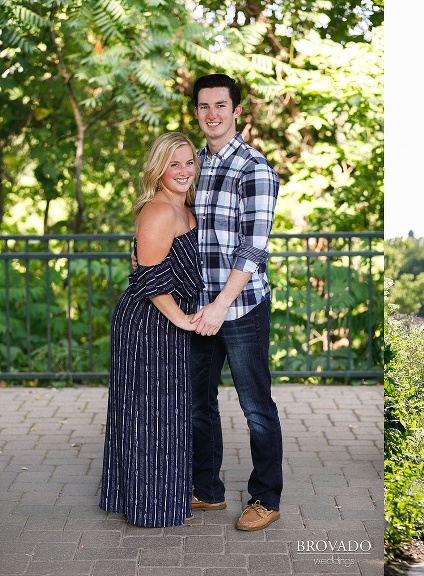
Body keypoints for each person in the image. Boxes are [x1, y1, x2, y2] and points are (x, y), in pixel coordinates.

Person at [187, 73, 283, 531]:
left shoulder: (254, 168)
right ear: (196, 112)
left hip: (240, 307)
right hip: (196, 306)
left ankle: (266, 497)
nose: (212, 114)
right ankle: (207, 490)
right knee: (197, 402)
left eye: (220, 105)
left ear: (237, 111)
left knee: (256, 408)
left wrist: (221, 304)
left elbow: (253, 248)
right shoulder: (191, 165)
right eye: (204, 106)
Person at [100, 132, 203, 527]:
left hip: (167, 323)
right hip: (148, 324)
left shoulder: (184, 206)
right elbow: (150, 277)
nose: (183, 170)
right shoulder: (159, 210)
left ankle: (163, 500)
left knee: (167, 414)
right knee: (149, 416)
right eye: (173, 163)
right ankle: (149, 508)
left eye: (189, 162)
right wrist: (181, 319)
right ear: (159, 169)